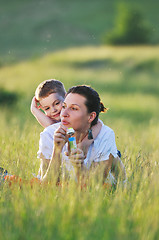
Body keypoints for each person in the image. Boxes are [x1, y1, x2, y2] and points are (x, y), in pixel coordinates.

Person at [38, 85, 126, 187]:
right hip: (65, 190)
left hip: (103, 182)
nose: (64, 114)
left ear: (91, 116)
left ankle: (115, 155)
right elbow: (45, 185)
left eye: (74, 108)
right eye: (64, 106)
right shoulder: (49, 134)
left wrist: (79, 166)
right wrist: (57, 150)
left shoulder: (105, 135)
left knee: (111, 156)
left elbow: (95, 186)